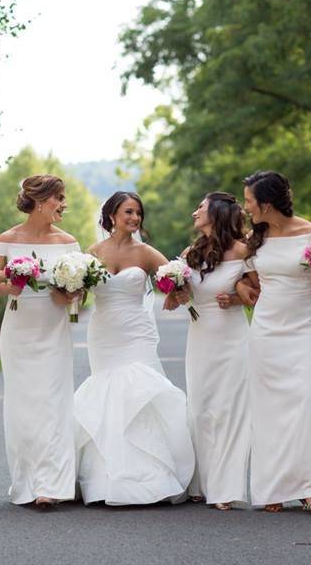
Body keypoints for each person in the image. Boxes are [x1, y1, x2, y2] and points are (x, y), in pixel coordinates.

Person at [73, 191, 195, 505]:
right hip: (103, 332)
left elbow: (178, 280)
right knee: (108, 395)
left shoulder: (145, 253)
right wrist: (72, 291)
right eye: (128, 212)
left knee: (140, 390)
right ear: (112, 215)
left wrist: (174, 292)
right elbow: (81, 294)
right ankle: (106, 478)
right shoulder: (92, 252)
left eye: (138, 213)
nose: (134, 218)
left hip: (136, 332)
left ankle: (150, 478)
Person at [235, 171, 311, 512]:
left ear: (267, 203)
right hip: (266, 328)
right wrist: (240, 290)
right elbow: (244, 280)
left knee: (307, 400)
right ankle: (273, 487)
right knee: (270, 407)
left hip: (307, 325)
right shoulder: (255, 239)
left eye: (249, 201)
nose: (246, 207)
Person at [0, 175, 81, 507]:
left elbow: (80, 287)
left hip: (54, 328)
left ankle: (51, 484)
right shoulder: (7, 239)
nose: (63, 204)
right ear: (40, 200)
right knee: (24, 404)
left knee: (54, 403)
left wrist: (70, 293)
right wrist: (5, 284)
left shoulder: (68, 241)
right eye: (59, 198)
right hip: (20, 328)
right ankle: (27, 481)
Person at [167, 192, 250, 511]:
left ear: (216, 212)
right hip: (200, 337)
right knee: (201, 407)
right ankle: (202, 482)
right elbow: (188, 293)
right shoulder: (192, 252)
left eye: (200, 208)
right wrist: (175, 294)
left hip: (232, 337)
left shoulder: (242, 250)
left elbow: (258, 291)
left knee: (229, 409)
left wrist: (239, 298)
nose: (194, 212)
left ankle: (226, 488)